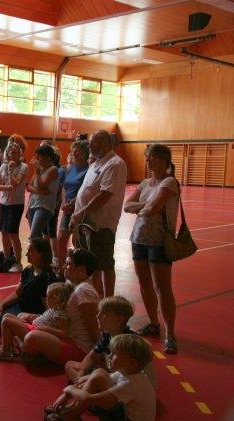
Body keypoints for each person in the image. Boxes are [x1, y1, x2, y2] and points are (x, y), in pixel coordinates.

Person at [123, 144, 180, 354]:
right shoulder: (145, 183)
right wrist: (145, 206)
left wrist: (144, 207)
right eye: (147, 157)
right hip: (138, 238)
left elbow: (153, 208)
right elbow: (127, 206)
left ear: (164, 160)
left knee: (162, 288)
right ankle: (154, 324)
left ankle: (170, 334)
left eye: (152, 157)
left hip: (159, 240)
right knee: (144, 284)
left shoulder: (169, 182)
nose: (148, 161)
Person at [44, 334, 156, 421]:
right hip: (123, 416)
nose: (109, 356)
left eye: (114, 354)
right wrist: (67, 395)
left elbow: (89, 399)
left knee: (98, 377)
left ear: (131, 363)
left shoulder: (131, 384)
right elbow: (96, 377)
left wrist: (69, 389)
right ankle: (73, 410)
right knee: (99, 373)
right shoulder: (130, 373)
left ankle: (72, 416)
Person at [70, 130, 127, 298]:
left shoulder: (115, 164)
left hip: (100, 225)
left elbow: (104, 195)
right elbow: (87, 190)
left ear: (106, 143)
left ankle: (107, 301)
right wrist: (74, 207)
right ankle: (93, 297)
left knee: (104, 264)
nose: (89, 146)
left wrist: (80, 213)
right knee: (89, 265)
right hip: (84, 223)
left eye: (93, 142)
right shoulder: (96, 163)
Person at [23, 248, 100, 365]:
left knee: (32, 337)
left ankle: (30, 350)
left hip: (80, 348)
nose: (64, 267)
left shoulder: (84, 291)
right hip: (68, 338)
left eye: (68, 264)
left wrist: (98, 355)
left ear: (82, 269)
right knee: (22, 317)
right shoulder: (74, 284)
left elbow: (93, 327)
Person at [65, 296, 157, 389]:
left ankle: (84, 389)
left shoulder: (128, 343)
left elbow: (126, 375)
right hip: (114, 376)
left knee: (97, 376)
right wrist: (81, 374)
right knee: (70, 365)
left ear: (119, 319)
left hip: (131, 383)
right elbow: (91, 357)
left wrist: (91, 378)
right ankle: (83, 387)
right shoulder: (107, 334)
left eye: (103, 313)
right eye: (98, 312)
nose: (97, 316)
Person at [0, 282, 72, 361]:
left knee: (6, 321)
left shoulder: (60, 314)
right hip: (32, 326)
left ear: (61, 300)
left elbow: (64, 333)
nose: (47, 299)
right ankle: (7, 345)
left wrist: (47, 329)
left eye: (51, 297)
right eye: (47, 296)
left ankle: (6, 351)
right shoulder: (54, 309)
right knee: (7, 315)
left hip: (35, 330)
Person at [0, 239, 57, 321]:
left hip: (28, 313)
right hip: (18, 306)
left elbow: (48, 307)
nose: (26, 254)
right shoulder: (28, 270)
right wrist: (1, 305)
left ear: (41, 254)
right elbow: (17, 293)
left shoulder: (46, 277)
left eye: (31, 251)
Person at [57, 140, 90, 273]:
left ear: (84, 153)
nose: (73, 153)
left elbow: (86, 191)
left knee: (77, 242)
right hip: (67, 209)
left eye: (76, 151)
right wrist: (64, 203)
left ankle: (76, 272)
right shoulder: (71, 168)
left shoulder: (88, 170)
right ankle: (62, 271)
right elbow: (64, 187)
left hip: (79, 209)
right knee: (61, 239)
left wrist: (71, 203)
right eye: (73, 151)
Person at [0, 140, 27, 272]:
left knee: (13, 234)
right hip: (3, 202)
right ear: (7, 154)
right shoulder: (3, 166)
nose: (15, 155)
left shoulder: (23, 167)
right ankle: (7, 259)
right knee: (4, 233)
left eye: (17, 152)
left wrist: (11, 170)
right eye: (12, 153)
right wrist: (7, 187)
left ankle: (18, 263)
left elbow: (15, 184)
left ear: (20, 153)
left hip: (16, 204)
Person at [26, 144, 60, 241]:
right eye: (36, 157)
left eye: (39, 157)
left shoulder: (53, 169)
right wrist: (39, 192)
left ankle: (42, 251)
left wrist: (37, 171)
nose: (37, 160)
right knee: (36, 238)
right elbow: (28, 187)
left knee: (34, 236)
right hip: (33, 204)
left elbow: (42, 186)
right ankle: (41, 251)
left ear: (48, 157)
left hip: (44, 206)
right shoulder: (39, 169)